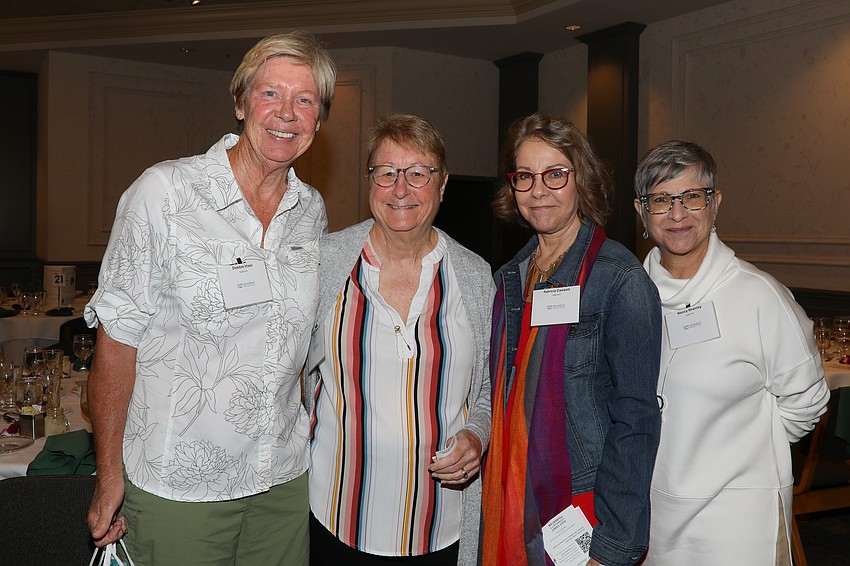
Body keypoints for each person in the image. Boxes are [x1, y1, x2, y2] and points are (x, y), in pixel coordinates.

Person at [84, 31, 336, 565]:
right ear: (241, 102)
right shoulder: (164, 193)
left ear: (319, 120)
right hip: (181, 486)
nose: (286, 113)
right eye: (271, 94)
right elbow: (117, 338)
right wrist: (109, 474)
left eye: (305, 100)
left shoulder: (311, 213)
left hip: (282, 482)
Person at [304, 114, 494, 566]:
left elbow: (488, 387)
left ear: (443, 183)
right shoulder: (324, 263)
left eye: (417, 173)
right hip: (336, 517)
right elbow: (289, 373)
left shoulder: (475, 276)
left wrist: (476, 434)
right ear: (370, 180)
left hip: (440, 528)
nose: (400, 189)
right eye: (386, 173)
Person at [633, 140, 830, 565]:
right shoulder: (628, 296)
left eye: (692, 197)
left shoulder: (760, 296)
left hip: (737, 523)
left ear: (715, 203)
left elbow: (808, 400)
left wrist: (746, 453)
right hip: (652, 518)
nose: (678, 213)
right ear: (642, 212)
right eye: (661, 200)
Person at [481, 113, 662, 566]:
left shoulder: (620, 281)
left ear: (581, 178)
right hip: (509, 499)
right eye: (525, 176)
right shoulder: (508, 279)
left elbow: (636, 421)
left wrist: (611, 546)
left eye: (555, 173)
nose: (538, 189)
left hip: (581, 512)